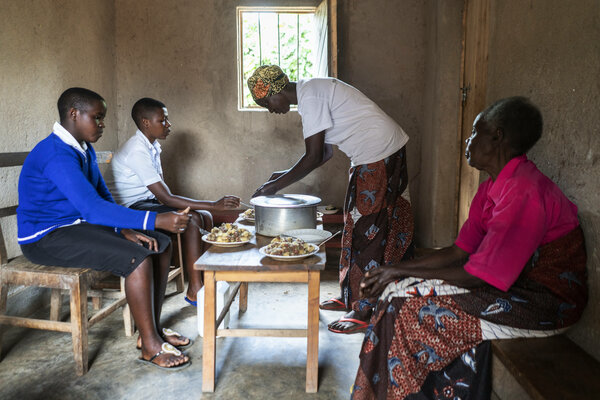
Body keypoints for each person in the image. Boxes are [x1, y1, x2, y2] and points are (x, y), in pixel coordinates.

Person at [351, 97, 587, 399]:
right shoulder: (493, 187)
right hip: (510, 287)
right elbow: (459, 252)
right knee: (394, 291)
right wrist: (392, 271)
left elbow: (479, 276)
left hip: (545, 303)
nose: (468, 140)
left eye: (475, 132)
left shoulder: (524, 190)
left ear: (497, 137)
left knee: (407, 307)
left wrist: (398, 271)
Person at [17, 88, 193, 370]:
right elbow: (92, 209)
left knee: (160, 244)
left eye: (103, 119)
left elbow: (102, 197)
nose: (102, 125)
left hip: (75, 227)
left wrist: (123, 229)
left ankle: (152, 331)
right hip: (45, 237)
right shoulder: (56, 154)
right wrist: (153, 220)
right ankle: (149, 346)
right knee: (138, 257)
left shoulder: (82, 149)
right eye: (97, 118)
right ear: (74, 114)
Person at [247, 65, 414, 334]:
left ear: (276, 90)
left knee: (368, 231)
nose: (270, 109)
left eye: (266, 102)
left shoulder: (311, 96)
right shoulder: (310, 93)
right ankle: (351, 297)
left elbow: (313, 157)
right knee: (354, 223)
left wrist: (275, 187)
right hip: (371, 154)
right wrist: (278, 177)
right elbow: (324, 154)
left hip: (378, 152)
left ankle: (363, 310)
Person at [108, 97, 240, 306]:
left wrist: (210, 209)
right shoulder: (137, 150)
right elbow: (165, 198)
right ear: (145, 123)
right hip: (131, 209)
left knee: (204, 217)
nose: (168, 125)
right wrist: (214, 204)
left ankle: (205, 279)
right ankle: (195, 289)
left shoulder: (152, 146)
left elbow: (162, 194)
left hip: (147, 202)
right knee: (193, 218)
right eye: (163, 120)